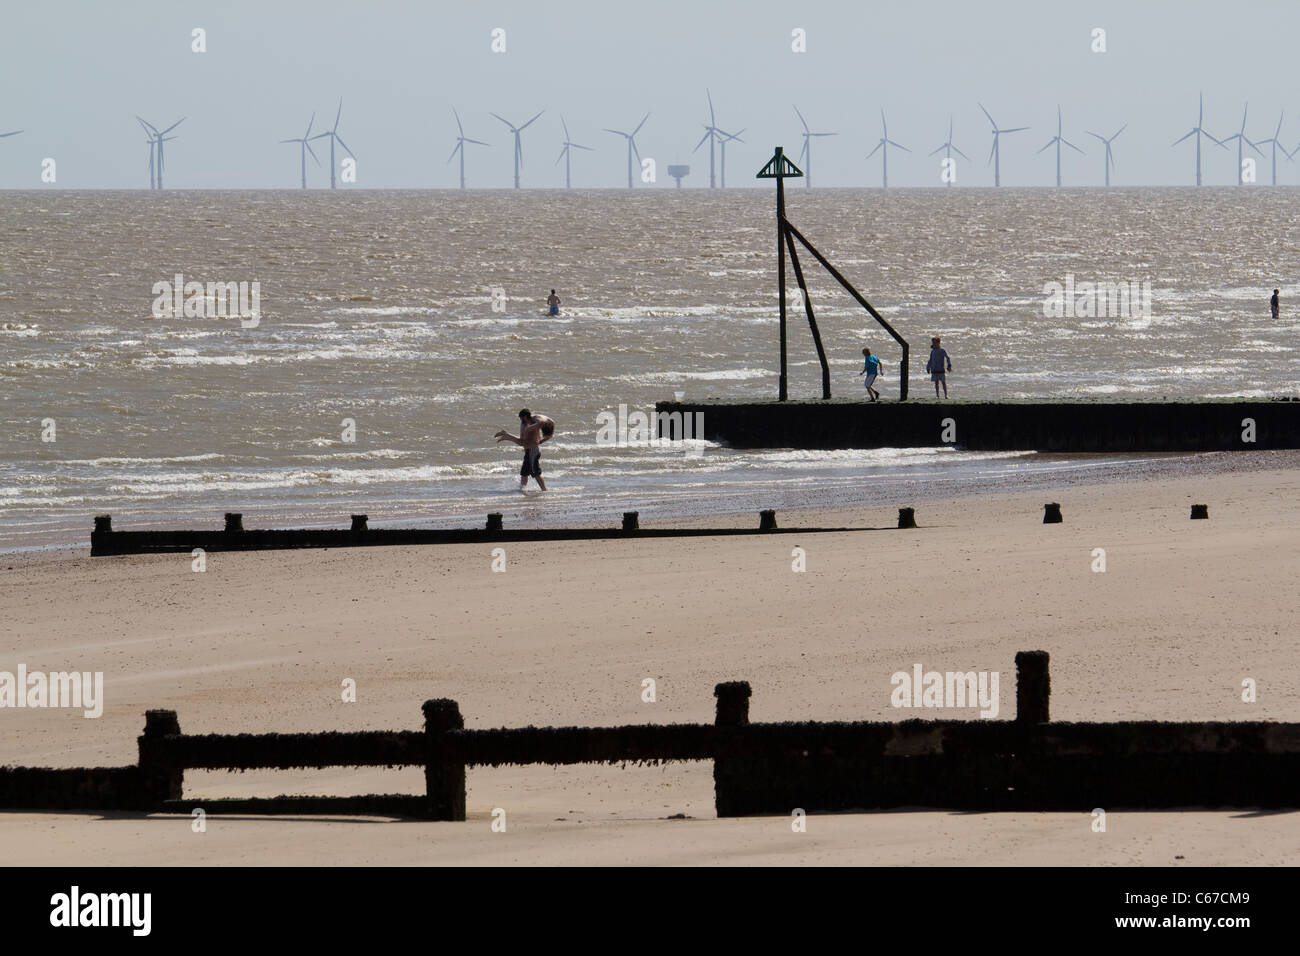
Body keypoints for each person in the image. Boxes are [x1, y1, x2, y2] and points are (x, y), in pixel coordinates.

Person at [495, 408, 555, 492]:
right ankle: (522, 489)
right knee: (524, 473)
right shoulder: (526, 424)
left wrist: (533, 431)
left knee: (535, 473)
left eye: (521, 418)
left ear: (526, 416)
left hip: (532, 451)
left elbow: (545, 423)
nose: (521, 420)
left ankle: (544, 490)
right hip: (529, 452)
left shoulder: (535, 421)